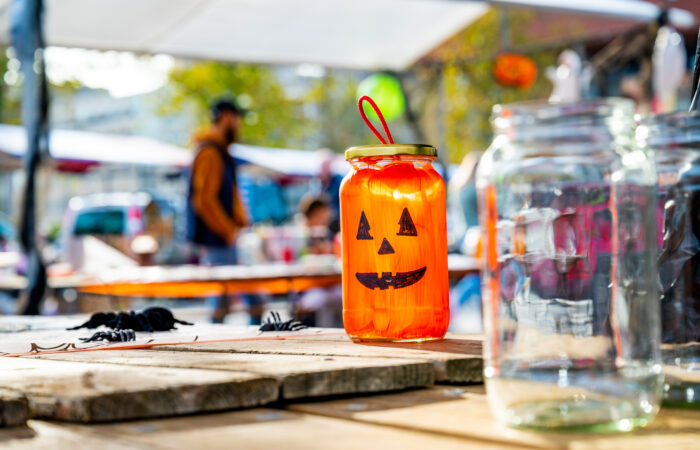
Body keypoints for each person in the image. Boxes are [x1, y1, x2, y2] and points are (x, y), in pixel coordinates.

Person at [187, 98, 248, 322]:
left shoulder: (219, 151)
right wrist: (228, 229)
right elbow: (204, 200)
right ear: (225, 116)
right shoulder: (210, 152)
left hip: (223, 238)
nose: (239, 124)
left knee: (226, 301)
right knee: (231, 300)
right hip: (218, 240)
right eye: (237, 118)